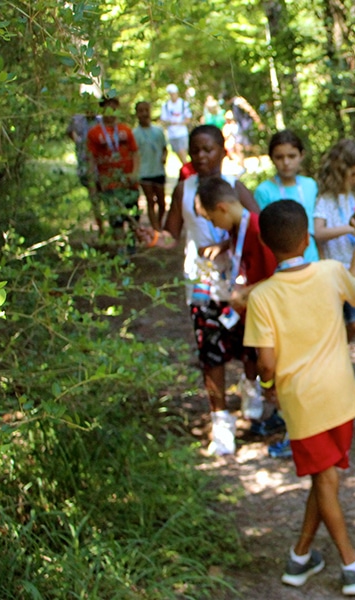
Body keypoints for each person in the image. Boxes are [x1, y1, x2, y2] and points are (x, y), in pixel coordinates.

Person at [242, 199, 355, 595]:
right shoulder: (330, 272)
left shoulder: (263, 297)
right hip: (341, 397)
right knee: (326, 478)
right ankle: (300, 556)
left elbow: (265, 363)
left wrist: (268, 388)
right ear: (307, 238)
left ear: (267, 246)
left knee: (325, 479)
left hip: (303, 403)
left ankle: (350, 564)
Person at [144, 124, 261, 456]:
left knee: (249, 344)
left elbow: (257, 225)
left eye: (208, 149)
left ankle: (251, 392)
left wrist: (226, 243)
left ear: (223, 150)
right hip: (202, 283)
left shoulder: (235, 186)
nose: (201, 156)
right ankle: (220, 421)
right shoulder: (185, 189)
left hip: (240, 281)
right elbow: (170, 233)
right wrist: (153, 238)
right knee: (210, 353)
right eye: (195, 151)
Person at [196, 176, 285, 436]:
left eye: (212, 219)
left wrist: (244, 292)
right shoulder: (236, 230)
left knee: (274, 370)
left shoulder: (258, 229)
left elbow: (277, 278)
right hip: (252, 311)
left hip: (268, 314)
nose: (215, 226)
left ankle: (287, 423)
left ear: (223, 207)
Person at [314, 139, 355, 347]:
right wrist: (349, 229)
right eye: (352, 174)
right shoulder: (325, 200)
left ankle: (344, 351)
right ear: (340, 171)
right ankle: (338, 351)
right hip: (335, 269)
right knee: (346, 321)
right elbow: (318, 232)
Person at [254, 130, 319, 263]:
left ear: (301, 155)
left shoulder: (310, 185)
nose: (286, 162)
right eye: (279, 157)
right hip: (281, 260)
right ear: (272, 158)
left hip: (312, 257)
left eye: (291, 156)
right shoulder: (264, 191)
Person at [86, 95, 140, 248]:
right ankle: (121, 251)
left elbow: (135, 153)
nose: (111, 111)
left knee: (132, 215)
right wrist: (93, 181)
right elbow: (91, 159)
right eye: (108, 107)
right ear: (102, 109)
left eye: (114, 107)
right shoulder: (94, 133)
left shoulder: (125, 130)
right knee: (116, 219)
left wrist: (135, 173)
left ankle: (132, 246)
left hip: (128, 182)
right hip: (109, 182)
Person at [67, 102, 102, 233]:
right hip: (85, 163)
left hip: (101, 165)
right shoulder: (77, 120)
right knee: (93, 194)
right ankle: (101, 227)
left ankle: (106, 226)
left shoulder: (101, 122)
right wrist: (77, 140)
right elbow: (69, 132)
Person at [133, 101, 168, 230]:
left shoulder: (158, 131)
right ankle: (156, 227)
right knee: (150, 200)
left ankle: (159, 223)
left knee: (162, 203)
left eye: (146, 110)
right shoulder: (134, 134)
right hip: (144, 172)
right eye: (141, 111)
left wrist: (164, 157)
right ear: (137, 114)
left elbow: (165, 148)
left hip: (158, 170)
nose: (144, 114)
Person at [160, 83, 193, 164]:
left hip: (181, 133)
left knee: (183, 152)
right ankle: (187, 168)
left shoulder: (183, 104)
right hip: (172, 134)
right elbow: (163, 120)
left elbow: (188, 118)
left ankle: (188, 170)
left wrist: (179, 123)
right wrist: (169, 123)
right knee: (178, 153)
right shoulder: (166, 106)